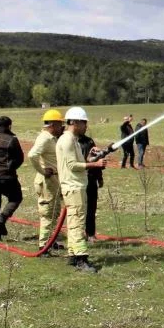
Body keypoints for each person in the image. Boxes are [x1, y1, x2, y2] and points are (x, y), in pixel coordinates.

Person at [56, 107, 107, 272]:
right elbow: (72, 165)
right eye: (84, 122)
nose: (86, 126)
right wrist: (95, 164)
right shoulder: (68, 140)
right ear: (74, 122)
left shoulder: (74, 140)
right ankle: (81, 258)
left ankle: (72, 255)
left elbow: (78, 161)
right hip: (74, 187)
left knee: (73, 222)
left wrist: (93, 158)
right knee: (78, 223)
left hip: (77, 186)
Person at [27, 109, 64, 251]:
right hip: (47, 181)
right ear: (53, 124)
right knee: (48, 213)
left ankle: (50, 241)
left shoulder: (51, 137)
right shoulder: (46, 138)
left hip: (53, 180)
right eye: (60, 124)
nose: (62, 127)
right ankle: (44, 245)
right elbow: (32, 155)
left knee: (54, 211)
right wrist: (42, 171)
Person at [78, 131, 104, 242]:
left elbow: (96, 159)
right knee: (78, 209)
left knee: (91, 207)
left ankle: (90, 233)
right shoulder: (69, 141)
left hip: (91, 178)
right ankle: (77, 234)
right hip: (77, 180)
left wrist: (99, 177)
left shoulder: (89, 141)